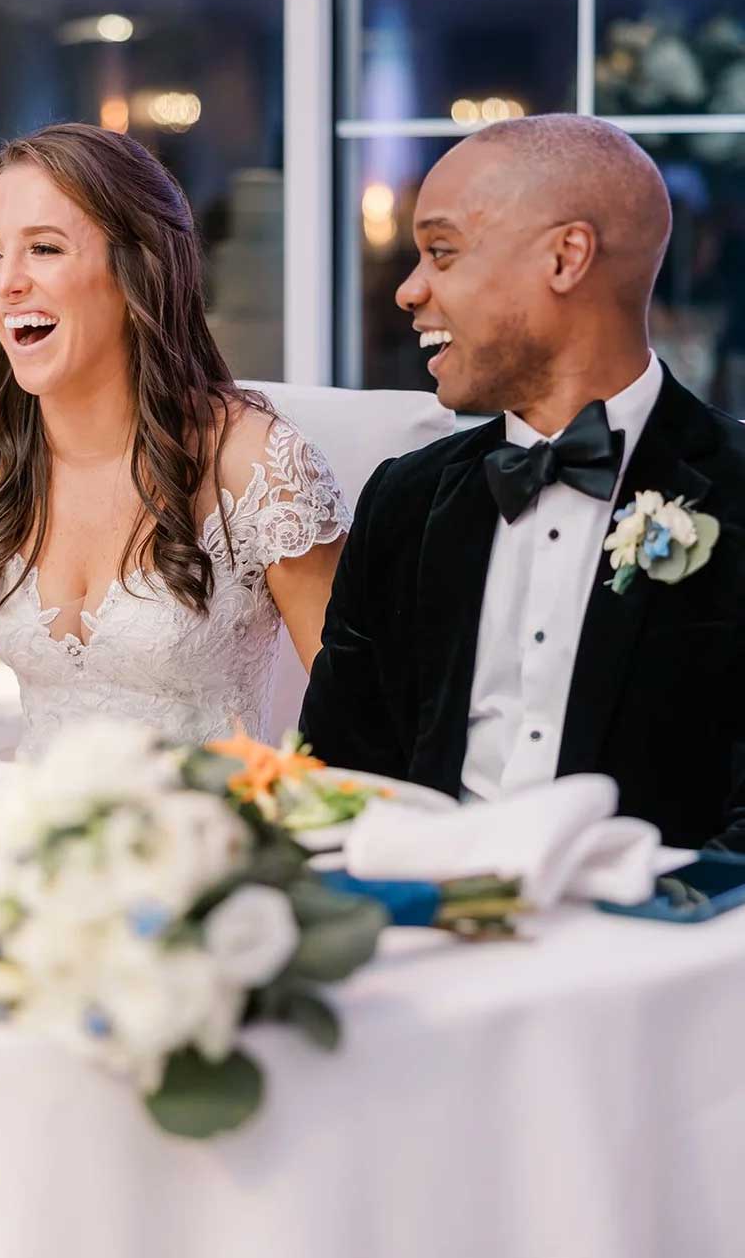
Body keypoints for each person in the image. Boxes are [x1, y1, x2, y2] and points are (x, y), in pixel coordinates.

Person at [300, 114, 745, 850]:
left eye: (441, 252)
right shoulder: (403, 504)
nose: (408, 291)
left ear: (567, 258)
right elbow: (337, 780)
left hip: (660, 947)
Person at [0, 123, 349, 757]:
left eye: (44, 248)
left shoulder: (257, 466)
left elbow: (359, 721)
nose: (5, 283)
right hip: (24, 837)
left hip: (205, 840)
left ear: (137, 266)